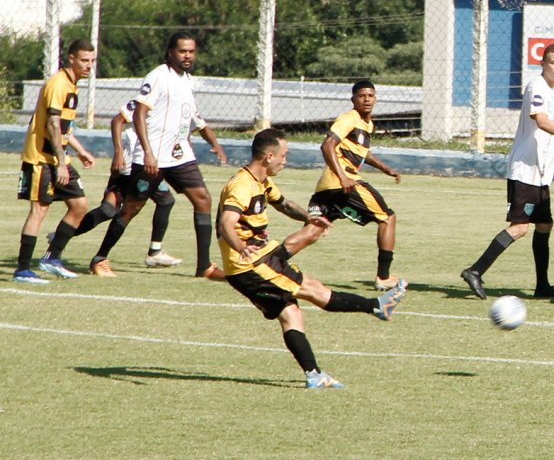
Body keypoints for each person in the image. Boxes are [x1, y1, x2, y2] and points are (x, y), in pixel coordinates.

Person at [217, 128, 407, 389]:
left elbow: (283, 204)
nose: (286, 160)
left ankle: (314, 375)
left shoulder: (261, 181)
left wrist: (309, 218)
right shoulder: (241, 186)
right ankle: (376, 306)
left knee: (291, 314)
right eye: (283, 155)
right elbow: (226, 222)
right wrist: (240, 246)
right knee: (315, 291)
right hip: (252, 263)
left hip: (257, 260)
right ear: (269, 156)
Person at [459, 43, 554, 300]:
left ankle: (541, 286)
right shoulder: (535, 87)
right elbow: (542, 121)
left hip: (541, 174)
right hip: (524, 170)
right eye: (553, 62)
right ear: (543, 64)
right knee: (520, 228)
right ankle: (475, 270)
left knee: (545, 225)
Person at [88, 31, 228, 279]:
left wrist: (214, 144)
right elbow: (139, 113)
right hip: (152, 158)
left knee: (203, 199)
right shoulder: (158, 76)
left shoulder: (186, 79)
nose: (187, 55)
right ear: (170, 52)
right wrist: (149, 153)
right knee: (130, 208)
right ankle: (99, 258)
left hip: (179, 156)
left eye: (191, 51)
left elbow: (194, 117)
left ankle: (204, 266)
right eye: (183, 51)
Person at [57, 99, 182, 272]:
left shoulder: (172, 105)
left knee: (166, 200)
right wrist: (118, 153)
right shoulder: (144, 101)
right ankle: (61, 237)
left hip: (150, 166)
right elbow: (117, 120)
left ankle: (155, 252)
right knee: (108, 210)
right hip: (131, 166)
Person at [304, 79, 403, 290]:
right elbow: (327, 145)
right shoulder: (349, 118)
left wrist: (386, 169)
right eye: (361, 95)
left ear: (375, 98)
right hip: (344, 183)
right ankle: (383, 278)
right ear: (353, 99)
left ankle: (273, 264)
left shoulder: (367, 124)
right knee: (387, 218)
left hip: (326, 187)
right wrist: (342, 177)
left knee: (312, 230)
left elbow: (362, 152)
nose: (366, 99)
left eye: (370, 95)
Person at [13, 39, 97, 284]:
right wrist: (61, 163)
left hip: (57, 157)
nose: (89, 66)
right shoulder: (58, 84)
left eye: (92, 61)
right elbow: (51, 125)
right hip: (41, 159)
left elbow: (63, 128)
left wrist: (79, 151)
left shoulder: (72, 86)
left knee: (79, 205)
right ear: (71, 58)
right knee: (39, 210)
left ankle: (51, 258)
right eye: (84, 60)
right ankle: (22, 269)